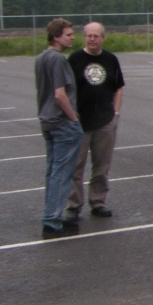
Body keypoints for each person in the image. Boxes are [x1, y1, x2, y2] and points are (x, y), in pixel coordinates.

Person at [64, 22, 124, 221]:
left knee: (101, 166)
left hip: (105, 122)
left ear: (103, 38)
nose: (92, 39)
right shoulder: (74, 59)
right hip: (79, 122)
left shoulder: (110, 60)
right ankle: (74, 205)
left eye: (96, 36)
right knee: (75, 166)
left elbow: (118, 88)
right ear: (84, 37)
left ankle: (98, 202)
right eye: (89, 35)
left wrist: (115, 114)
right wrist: (71, 115)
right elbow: (66, 90)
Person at [34, 18, 84, 238]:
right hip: (62, 123)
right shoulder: (57, 59)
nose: (72, 37)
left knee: (52, 171)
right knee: (62, 173)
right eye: (68, 34)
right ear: (56, 37)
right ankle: (52, 220)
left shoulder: (41, 58)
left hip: (47, 121)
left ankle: (52, 215)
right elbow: (59, 93)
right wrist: (73, 118)